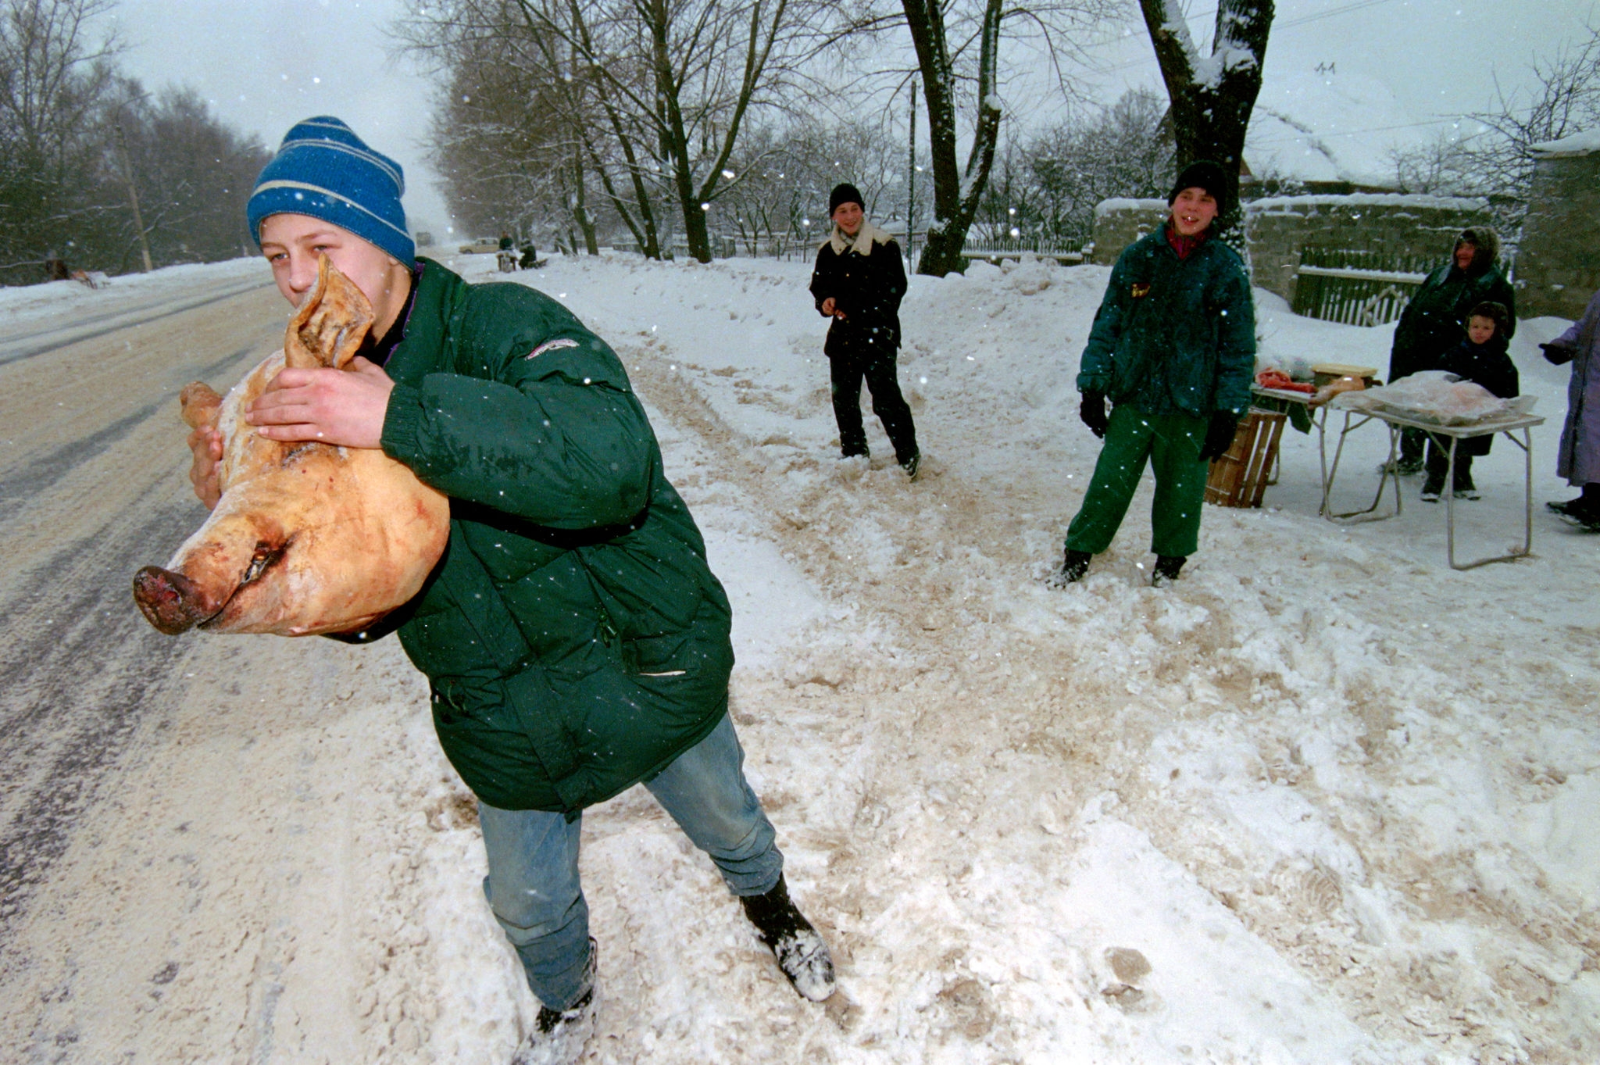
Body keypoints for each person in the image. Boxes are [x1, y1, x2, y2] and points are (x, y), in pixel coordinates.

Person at [189, 117, 834, 1065]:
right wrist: (255, 536)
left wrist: (401, 415)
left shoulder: (505, 324)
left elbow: (610, 459)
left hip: (640, 659)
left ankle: (771, 905)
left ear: (388, 241)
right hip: (505, 709)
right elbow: (370, 596)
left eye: (321, 247)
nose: (296, 279)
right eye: (277, 256)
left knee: (728, 815)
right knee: (527, 901)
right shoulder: (312, 398)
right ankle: (566, 999)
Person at [1057, 160, 1256, 587]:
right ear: (1172, 202)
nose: (1193, 207)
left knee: (1182, 490)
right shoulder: (1139, 258)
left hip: (1192, 401)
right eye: (1186, 196)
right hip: (1135, 395)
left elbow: (1237, 347)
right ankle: (1079, 552)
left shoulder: (1225, 269)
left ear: (1217, 211)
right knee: (1110, 481)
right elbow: (1107, 325)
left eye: (1205, 200)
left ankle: (1169, 565)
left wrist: (1228, 410)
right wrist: (1093, 387)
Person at [808, 182, 920, 478]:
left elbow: (894, 290)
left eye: (854, 209)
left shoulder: (884, 246)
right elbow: (819, 286)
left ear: (863, 210)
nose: (849, 216)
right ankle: (854, 451)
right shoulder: (828, 252)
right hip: (843, 338)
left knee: (886, 399)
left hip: (877, 335)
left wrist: (856, 308)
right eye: (842, 211)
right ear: (833, 216)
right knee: (844, 399)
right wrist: (826, 303)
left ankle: (908, 454)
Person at [1386, 227, 1516, 473]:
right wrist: (1404, 337)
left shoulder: (1494, 285)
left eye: (1470, 248)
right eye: (1460, 246)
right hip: (1417, 354)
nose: (1463, 253)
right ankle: (1410, 457)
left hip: (1457, 361)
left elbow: (1503, 331)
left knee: (1453, 416)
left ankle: (1456, 471)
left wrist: (1476, 355)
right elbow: (1413, 309)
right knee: (1415, 407)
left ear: (1485, 252)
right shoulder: (1440, 275)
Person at [1421, 301, 1519, 502]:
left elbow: (1509, 388)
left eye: (1486, 328)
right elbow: (1438, 379)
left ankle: (1461, 479)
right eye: (1475, 327)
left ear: (1497, 330)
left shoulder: (1500, 360)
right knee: (1441, 443)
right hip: (1449, 409)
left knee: (1466, 446)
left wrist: (1495, 401)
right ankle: (1434, 480)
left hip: (1479, 411)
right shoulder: (1455, 354)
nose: (1479, 332)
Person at [1540, 286, 1600, 530]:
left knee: (1596, 442)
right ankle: (1590, 499)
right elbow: (1585, 326)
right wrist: (1562, 344)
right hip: (1589, 380)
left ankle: (1596, 509)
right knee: (1587, 440)